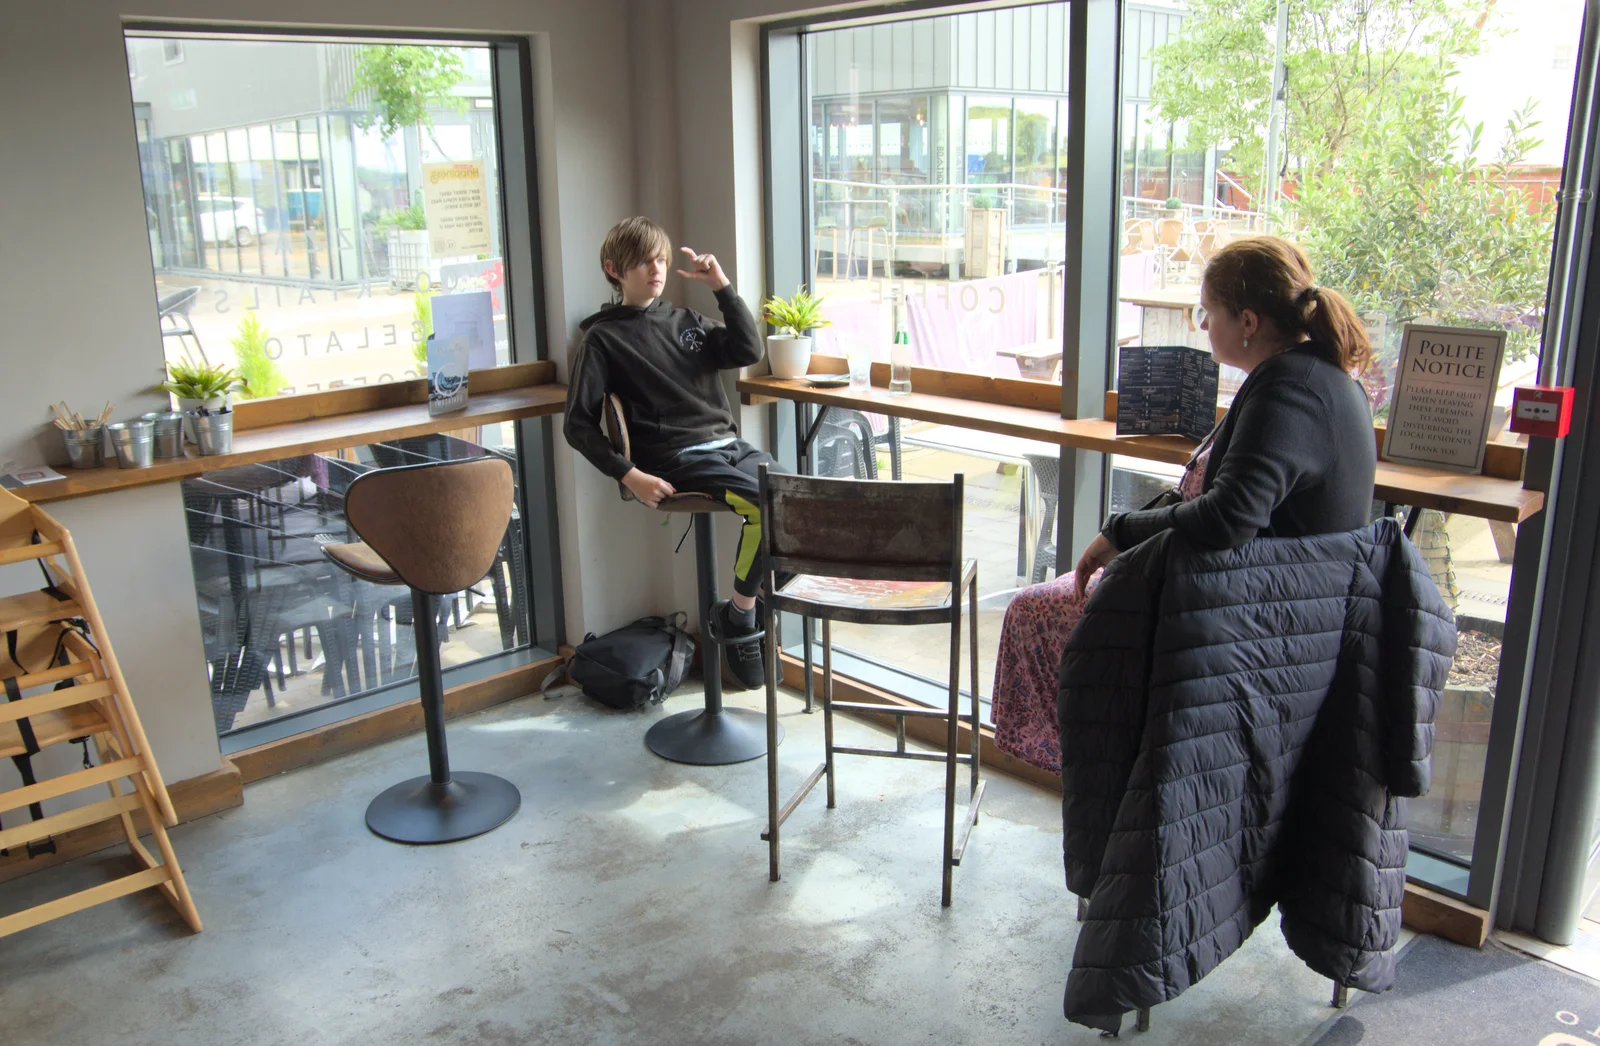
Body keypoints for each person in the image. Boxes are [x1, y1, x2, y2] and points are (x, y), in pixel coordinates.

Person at [991, 235, 1376, 773]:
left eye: (1208, 311)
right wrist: (1127, 532)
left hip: (1254, 623)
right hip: (1278, 605)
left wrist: (1121, 532)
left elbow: (1226, 517)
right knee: (1053, 606)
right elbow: (1217, 496)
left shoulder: (1289, 391)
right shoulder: (1312, 377)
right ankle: (1112, 774)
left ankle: (1105, 773)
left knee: (1036, 613)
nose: (1202, 325)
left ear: (1247, 321)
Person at [563, 217, 782, 690]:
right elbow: (577, 425)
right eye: (643, 260)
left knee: (792, 496)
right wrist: (629, 475)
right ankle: (742, 617)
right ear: (613, 269)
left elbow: (747, 347)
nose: (655, 268)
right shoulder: (603, 340)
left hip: (729, 446)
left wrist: (720, 285)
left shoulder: (686, 322)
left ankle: (743, 609)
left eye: (660, 258)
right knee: (769, 506)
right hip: (675, 458)